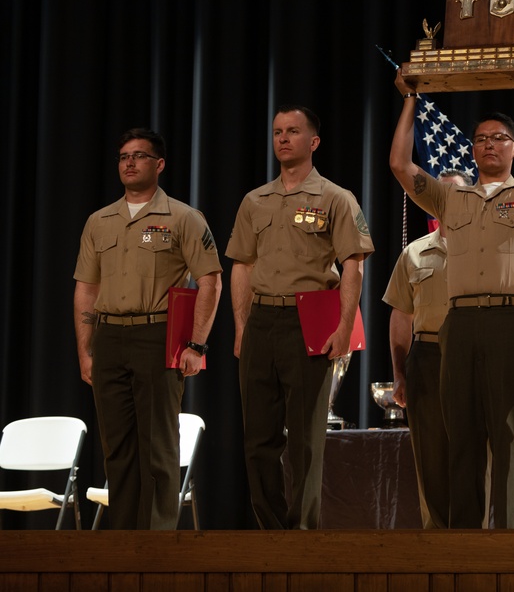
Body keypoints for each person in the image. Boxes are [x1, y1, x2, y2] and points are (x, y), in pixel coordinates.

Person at [389, 61, 514, 528]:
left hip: (510, 322)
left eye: (499, 138)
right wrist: (411, 96)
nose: (489, 144)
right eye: (482, 138)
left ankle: (509, 538)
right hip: (459, 323)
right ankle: (463, 541)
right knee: (461, 433)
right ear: (473, 149)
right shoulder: (452, 199)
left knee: (509, 433)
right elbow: (399, 165)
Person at [227, 105, 374, 529]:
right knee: (258, 438)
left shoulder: (335, 198)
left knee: (305, 440)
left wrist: (345, 326)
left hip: (309, 321)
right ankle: (271, 531)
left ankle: (302, 530)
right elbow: (242, 266)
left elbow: (354, 264)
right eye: (277, 132)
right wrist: (241, 326)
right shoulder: (255, 200)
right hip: (262, 321)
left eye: (293, 131)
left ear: (314, 142)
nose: (283, 139)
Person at [73, 128, 222, 530]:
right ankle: (123, 541)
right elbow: (87, 288)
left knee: (157, 445)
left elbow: (210, 280)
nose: (129, 163)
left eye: (139, 156)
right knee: (117, 447)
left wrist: (197, 345)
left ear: (159, 165)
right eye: (123, 156)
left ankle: (157, 542)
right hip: (110, 337)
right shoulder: (99, 221)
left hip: (157, 336)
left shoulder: (184, 217)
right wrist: (86, 350)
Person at [382, 169, 472, 529]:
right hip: (428, 358)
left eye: (456, 194)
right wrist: (400, 374)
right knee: (431, 460)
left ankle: (474, 541)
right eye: (441, 194)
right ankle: (437, 543)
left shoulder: (486, 249)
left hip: (471, 356)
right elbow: (401, 317)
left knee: (473, 455)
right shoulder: (414, 253)